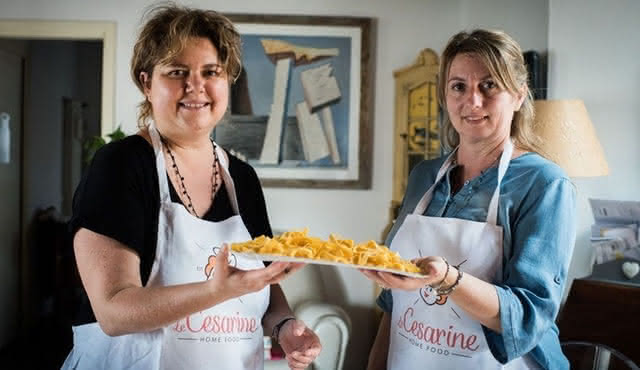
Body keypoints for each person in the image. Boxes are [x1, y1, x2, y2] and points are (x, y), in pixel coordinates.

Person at [63, 5, 321, 370]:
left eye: (211, 71)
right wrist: (214, 292)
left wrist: (285, 325)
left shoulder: (242, 179)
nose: (195, 86)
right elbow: (114, 311)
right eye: (177, 72)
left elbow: (264, 284)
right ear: (146, 83)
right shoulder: (121, 165)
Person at [361, 29, 576, 369]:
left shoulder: (544, 184)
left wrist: (448, 279)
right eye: (458, 86)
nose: (472, 102)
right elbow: (394, 299)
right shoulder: (424, 177)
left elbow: (527, 317)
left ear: (519, 96)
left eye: (489, 85)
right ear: (445, 96)